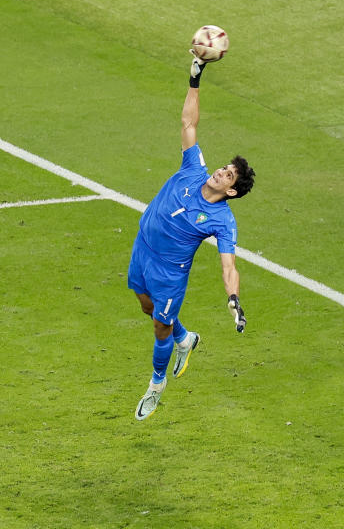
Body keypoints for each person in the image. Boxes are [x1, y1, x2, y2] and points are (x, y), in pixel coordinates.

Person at [128, 54, 255, 421]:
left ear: (232, 191)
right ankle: (186, 338)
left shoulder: (223, 221)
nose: (221, 171)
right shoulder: (193, 168)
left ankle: (155, 385)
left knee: (158, 326)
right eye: (225, 167)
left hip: (169, 271)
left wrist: (233, 298)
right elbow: (188, 121)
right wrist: (195, 78)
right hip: (143, 248)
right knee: (146, 306)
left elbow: (228, 264)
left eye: (229, 176)